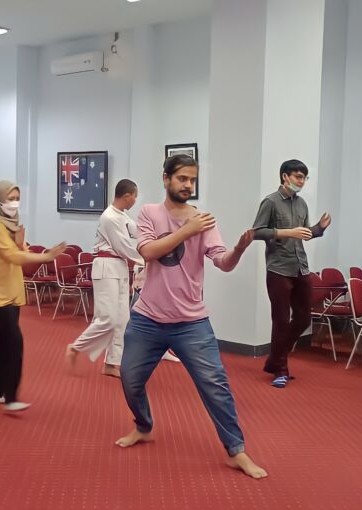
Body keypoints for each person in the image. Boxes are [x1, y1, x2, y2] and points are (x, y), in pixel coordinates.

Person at [115, 155, 266, 479]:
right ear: (166, 178)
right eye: (182, 178)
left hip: (191, 322)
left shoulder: (203, 221)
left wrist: (239, 249)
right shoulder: (149, 213)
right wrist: (187, 230)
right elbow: (148, 252)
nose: (188, 185)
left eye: (192, 180)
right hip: (147, 318)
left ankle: (236, 450)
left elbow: (222, 262)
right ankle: (143, 426)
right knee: (129, 378)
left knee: (215, 385)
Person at [0, 181, 65, 412]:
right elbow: (12, 256)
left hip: (11, 290)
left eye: (17, 198)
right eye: (10, 198)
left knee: (4, 341)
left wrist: (22, 246)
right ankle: (11, 396)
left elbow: (20, 252)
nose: (14, 203)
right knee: (15, 341)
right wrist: (45, 257)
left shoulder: (12, 223)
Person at [251, 159, 331, 387]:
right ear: (285, 177)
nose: (302, 181)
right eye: (298, 177)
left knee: (304, 317)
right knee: (281, 321)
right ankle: (280, 370)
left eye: (304, 178)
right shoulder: (270, 201)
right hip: (278, 268)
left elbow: (304, 234)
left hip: (300, 267)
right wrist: (287, 232)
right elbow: (257, 232)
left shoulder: (302, 204)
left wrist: (319, 228)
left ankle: (274, 359)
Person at [65, 179, 144, 378]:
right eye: (135, 196)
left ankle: (112, 363)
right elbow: (123, 246)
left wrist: (158, 235)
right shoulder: (109, 217)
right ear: (127, 196)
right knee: (107, 318)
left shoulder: (122, 216)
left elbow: (138, 232)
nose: (135, 200)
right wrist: (146, 258)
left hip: (120, 267)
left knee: (122, 319)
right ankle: (76, 347)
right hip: (106, 267)